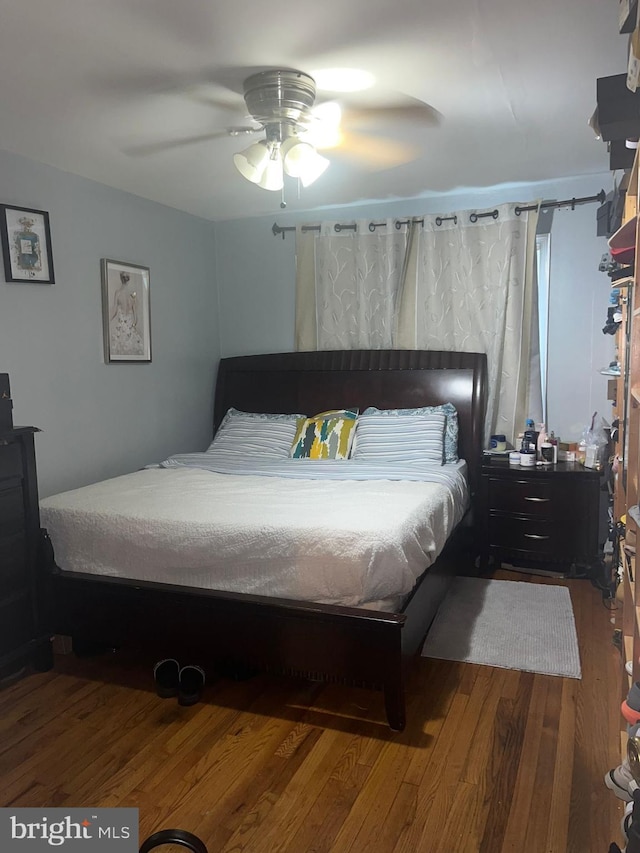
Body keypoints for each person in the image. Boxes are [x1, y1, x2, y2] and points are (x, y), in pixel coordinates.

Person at [110, 271, 144, 356]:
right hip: (129, 326)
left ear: (121, 278)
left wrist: (108, 321)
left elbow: (114, 311)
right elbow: (136, 318)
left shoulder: (118, 293)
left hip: (121, 327)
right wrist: (133, 326)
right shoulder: (132, 294)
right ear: (128, 279)